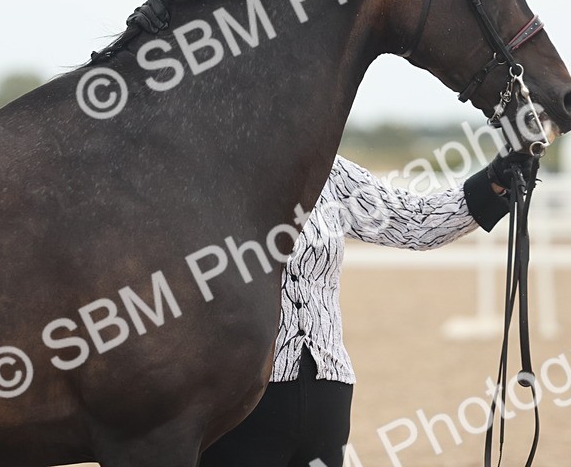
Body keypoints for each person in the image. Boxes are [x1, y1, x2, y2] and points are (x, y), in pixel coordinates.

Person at [199, 150, 528, 467]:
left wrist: (494, 180)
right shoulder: (207, 171)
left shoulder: (329, 170)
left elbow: (415, 221)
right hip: (240, 395)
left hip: (328, 387)